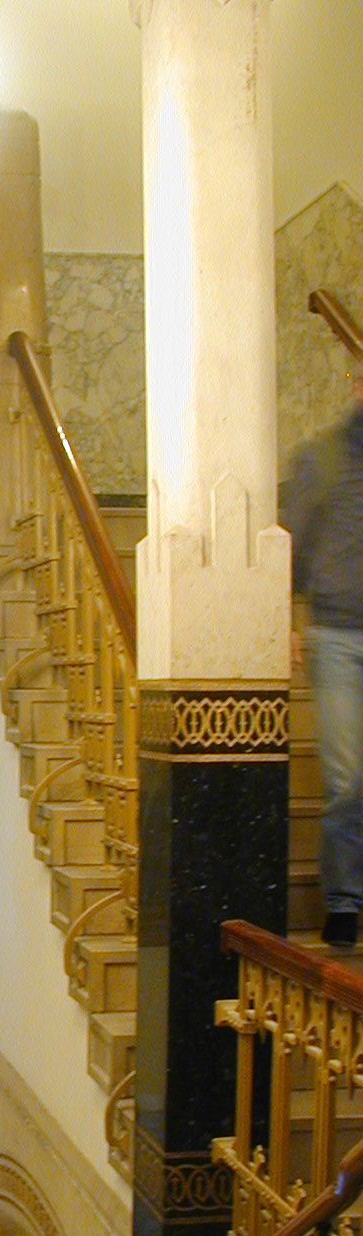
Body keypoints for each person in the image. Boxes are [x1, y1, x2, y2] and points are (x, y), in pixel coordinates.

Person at [284, 359, 363, 948]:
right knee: (347, 777)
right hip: (335, 635)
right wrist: (286, 616)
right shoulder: (322, 458)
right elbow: (290, 543)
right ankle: (344, 902)